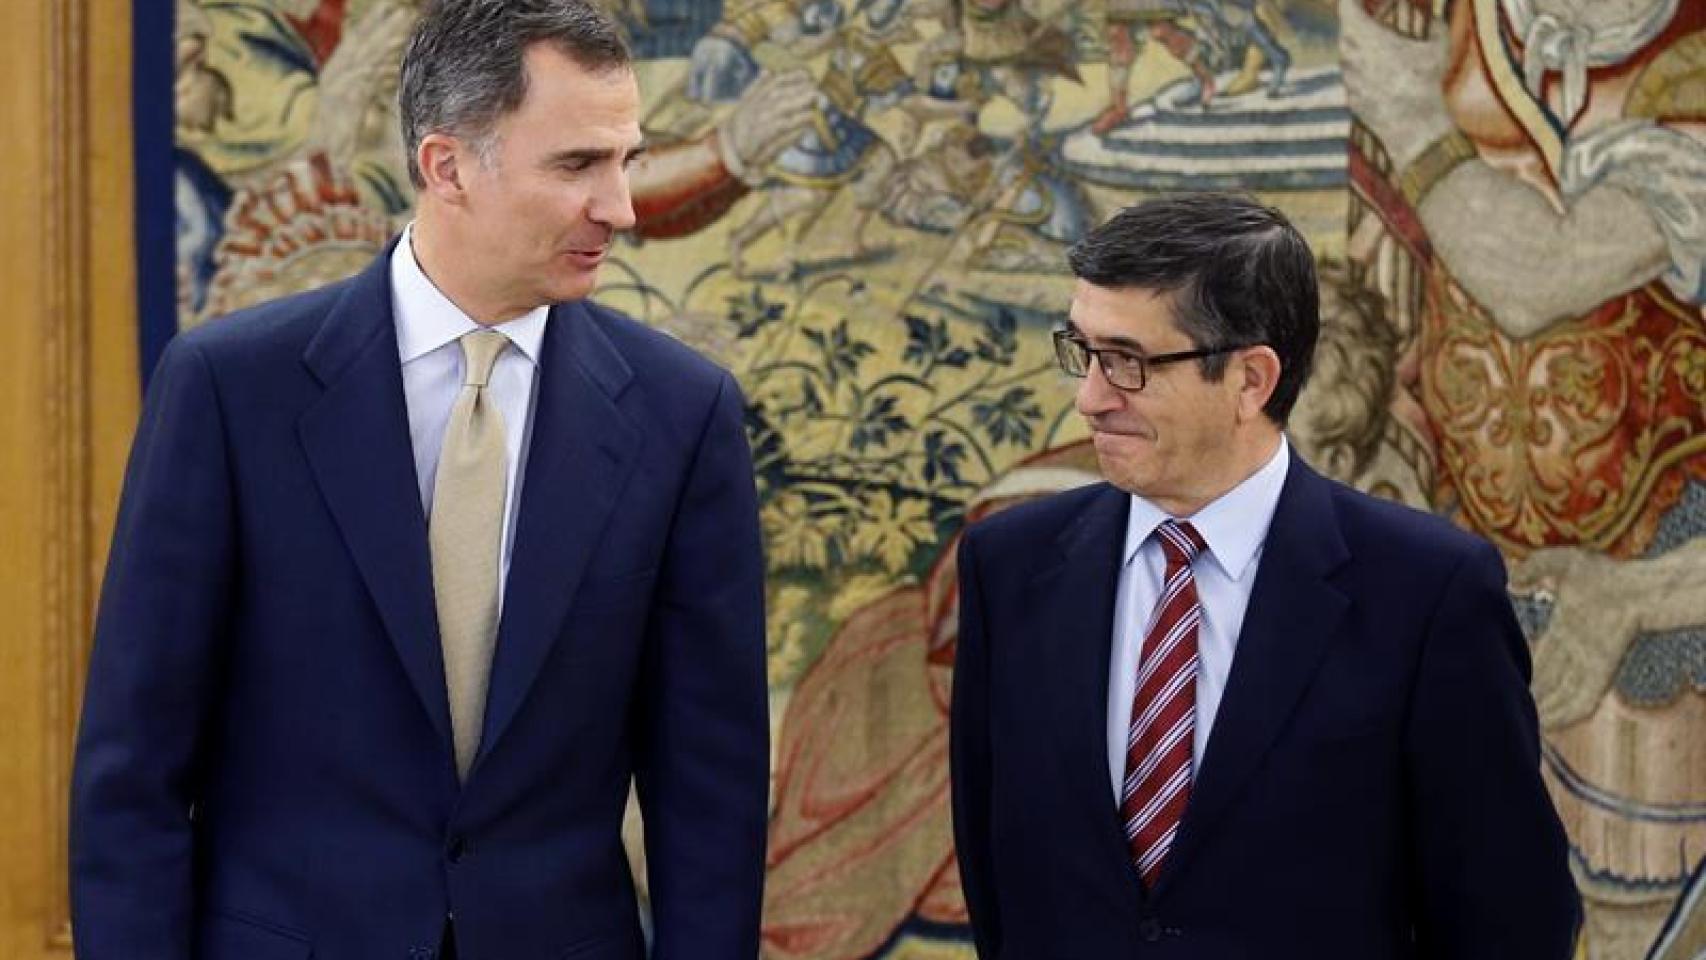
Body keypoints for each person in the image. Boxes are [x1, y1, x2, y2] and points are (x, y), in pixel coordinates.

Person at [69, 2, 769, 958]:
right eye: (577, 165)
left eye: (625, 160)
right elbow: (133, 770)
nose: (620, 207)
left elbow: (710, 790)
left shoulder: (683, 416)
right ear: (446, 167)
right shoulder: (231, 391)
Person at [948, 192, 1580, 957]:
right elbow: (997, 887)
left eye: (1128, 363)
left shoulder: (1427, 593)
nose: (1090, 397)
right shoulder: (1009, 566)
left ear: (1251, 379)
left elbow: (1512, 920)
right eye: (1082, 352)